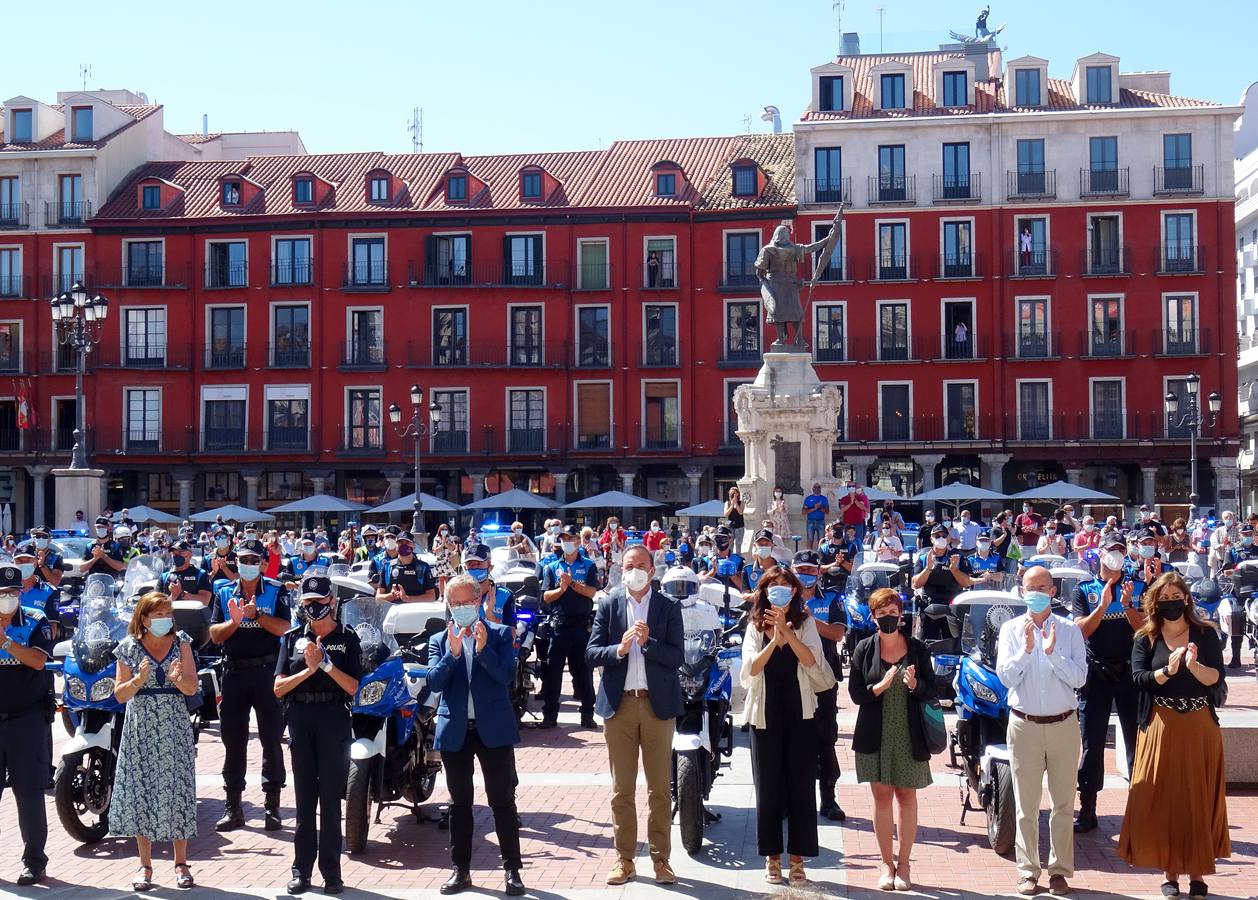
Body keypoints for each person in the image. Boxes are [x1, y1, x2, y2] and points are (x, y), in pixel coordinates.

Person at [1117, 573, 1229, 900]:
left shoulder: (1206, 635)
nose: (1170, 602)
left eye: (1175, 595)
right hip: (1161, 724)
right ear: (1155, 603)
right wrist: (1167, 670)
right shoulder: (1146, 637)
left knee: (1197, 797)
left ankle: (1197, 875)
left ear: (1187, 598)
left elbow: (1216, 678)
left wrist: (1192, 666)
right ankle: (1170, 874)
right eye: (1163, 597)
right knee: (1164, 797)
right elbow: (1139, 678)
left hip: (1199, 725)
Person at [586, 545, 684, 886]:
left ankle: (661, 860)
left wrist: (649, 643)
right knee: (621, 790)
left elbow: (676, 657)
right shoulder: (610, 604)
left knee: (659, 788)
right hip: (620, 706)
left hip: (657, 707)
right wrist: (620, 649)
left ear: (652, 570)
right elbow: (591, 653)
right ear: (621, 569)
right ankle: (624, 859)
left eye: (641, 565)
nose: (635, 571)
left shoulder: (668, 606)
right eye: (629, 565)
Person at [426, 574, 524, 896]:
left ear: (480, 601)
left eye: (469, 601)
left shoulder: (499, 634)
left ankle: (512, 871)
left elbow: (506, 676)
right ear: (449, 605)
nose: (463, 608)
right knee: (459, 804)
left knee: (502, 802)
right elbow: (434, 683)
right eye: (457, 603)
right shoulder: (440, 640)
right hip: (456, 731)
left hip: (492, 730)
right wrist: (452, 655)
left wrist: (483, 651)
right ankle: (461, 871)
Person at [996, 566, 1088, 896]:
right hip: (1024, 726)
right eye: (1029, 587)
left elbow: (1079, 678)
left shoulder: (1069, 630)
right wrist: (1029, 649)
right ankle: (1028, 871)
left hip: (1063, 725)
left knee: (1063, 804)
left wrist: (1053, 653)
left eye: (1042, 587)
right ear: (1021, 591)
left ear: (1053, 591)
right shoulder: (1010, 630)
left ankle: (1060, 870)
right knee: (1026, 805)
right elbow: (1006, 677)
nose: (1035, 592)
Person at [741, 566, 832, 887]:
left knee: (801, 788)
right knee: (767, 789)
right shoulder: (753, 625)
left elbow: (814, 664)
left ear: (795, 591)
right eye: (772, 586)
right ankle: (772, 858)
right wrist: (772, 640)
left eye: (785, 585)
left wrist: (788, 634)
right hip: (764, 716)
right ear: (764, 591)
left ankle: (797, 860)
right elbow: (749, 670)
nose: (779, 590)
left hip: (800, 714)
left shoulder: (805, 623)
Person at [274, 575, 361, 896]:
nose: (314, 609)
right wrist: (307, 670)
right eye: (308, 603)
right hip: (300, 717)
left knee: (330, 799)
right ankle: (301, 870)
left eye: (320, 602)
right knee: (304, 799)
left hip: (333, 718)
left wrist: (325, 665)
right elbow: (278, 686)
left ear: (332, 602)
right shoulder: (292, 638)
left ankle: (331, 872)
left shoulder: (347, 639)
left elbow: (353, 687)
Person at [111, 591, 200, 891]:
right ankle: (145, 866)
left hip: (173, 726)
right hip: (140, 728)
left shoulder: (181, 642)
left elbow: (191, 688)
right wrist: (138, 679)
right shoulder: (128, 648)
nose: (165, 619)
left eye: (167, 613)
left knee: (177, 791)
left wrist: (176, 679)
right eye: (158, 614)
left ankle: (181, 864)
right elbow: (120, 694)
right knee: (141, 792)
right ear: (144, 618)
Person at [849, 587, 935, 892]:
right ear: (873, 617)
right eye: (881, 612)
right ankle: (886, 864)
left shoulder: (917, 648)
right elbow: (855, 694)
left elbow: (933, 689)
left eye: (893, 612)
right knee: (882, 797)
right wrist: (879, 687)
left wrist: (916, 684)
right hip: (876, 733)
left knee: (907, 796)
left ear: (901, 615)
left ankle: (905, 864)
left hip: (909, 733)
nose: (888, 617)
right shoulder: (863, 648)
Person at [208, 538, 290, 832]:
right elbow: (215, 634)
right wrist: (235, 621)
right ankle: (233, 808)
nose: (249, 565)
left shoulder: (277, 591)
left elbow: (285, 628)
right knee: (233, 740)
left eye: (255, 560)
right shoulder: (223, 591)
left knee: (271, 740)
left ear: (263, 563)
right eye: (244, 559)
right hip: (234, 673)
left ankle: (272, 807)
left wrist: (258, 616)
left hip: (267, 671)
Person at [1070, 533, 1146, 833]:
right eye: (1110, 550)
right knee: (1092, 744)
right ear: (1098, 553)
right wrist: (1103, 606)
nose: (1115, 555)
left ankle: (1141, 808)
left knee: (1137, 743)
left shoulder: (1138, 587)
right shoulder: (1084, 589)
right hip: (1096, 674)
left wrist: (1128, 606)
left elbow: (1146, 630)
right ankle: (1088, 808)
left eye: (1120, 550)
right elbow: (1080, 632)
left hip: (1130, 673)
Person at [0, 565, 53, 885]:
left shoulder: (34, 620)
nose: (8, 599)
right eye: (2, 594)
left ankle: (34, 861)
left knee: (29, 793)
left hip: (26, 720)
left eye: (13, 593)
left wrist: (5, 642)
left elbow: (37, 660)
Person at [794, 550, 847, 821]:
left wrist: (810, 620)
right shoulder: (783, 597)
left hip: (824, 679)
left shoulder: (833, 598)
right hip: (791, 678)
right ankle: (788, 800)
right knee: (790, 741)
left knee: (826, 739)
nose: (806, 574)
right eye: (800, 568)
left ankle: (829, 799)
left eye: (810, 569)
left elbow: (838, 633)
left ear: (818, 572)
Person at [540, 526, 599, 729]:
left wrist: (572, 584)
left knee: (583, 672)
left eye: (571, 538)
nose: (567, 542)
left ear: (577, 540)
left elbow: (592, 592)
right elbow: (546, 596)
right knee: (553, 672)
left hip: (581, 626)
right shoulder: (551, 566)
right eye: (564, 539)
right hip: (559, 625)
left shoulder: (589, 565)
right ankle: (549, 715)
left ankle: (587, 714)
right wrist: (561, 589)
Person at [373, 532, 436, 603]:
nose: (404, 545)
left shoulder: (423, 567)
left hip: (417, 611)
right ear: (396, 546)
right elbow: (378, 598)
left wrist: (408, 598)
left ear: (414, 545)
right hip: (394, 612)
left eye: (407, 542)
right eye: (400, 542)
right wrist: (391, 596)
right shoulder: (387, 566)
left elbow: (431, 597)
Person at [162, 540, 214, 608]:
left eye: (179, 553)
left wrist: (182, 594)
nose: (176, 556)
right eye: (174, 554)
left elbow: (205, 601)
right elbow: (156, 605)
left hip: (194, 616)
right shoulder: (165, 576)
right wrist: (173, 596)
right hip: (170, 617)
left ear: (189, 555)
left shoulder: (200, 575)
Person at [431, 524, 458, 595]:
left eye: (445, 529)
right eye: (442, 529)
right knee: (441, 579)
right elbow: (434, 550)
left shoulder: (451, 538)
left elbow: (452, 548)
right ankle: (442, 595)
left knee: (447, 578)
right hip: (440, 560)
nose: (444, 531)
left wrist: (445, 543)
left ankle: (448, 595)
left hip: (448, 560)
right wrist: (442, 544)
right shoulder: (436, 538)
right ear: (439, 530)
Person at [802, 482, 830, 550]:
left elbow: (827, 511)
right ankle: (809, 555)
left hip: (821, 521)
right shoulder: (808, 498)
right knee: (809, 540)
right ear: (812, 489)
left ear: (820, 489)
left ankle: (821, 556)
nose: (817, 488)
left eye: (818, 487)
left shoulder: (824, 499)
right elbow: (803, 512)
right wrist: (814, 508)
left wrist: (820, 507)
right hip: (810, 521)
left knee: (821, 541)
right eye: (815, 487)